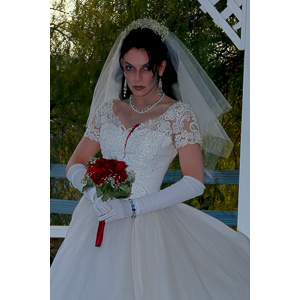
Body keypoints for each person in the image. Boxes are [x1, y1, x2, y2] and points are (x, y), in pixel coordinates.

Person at [50, 19, 250, 300]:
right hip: (97, 218)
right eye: (129, 68)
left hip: (149, 223)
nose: (137, 78)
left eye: (145, 68)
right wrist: (94, 192)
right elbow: (76, 163)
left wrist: (132, 207)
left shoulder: (179, 115)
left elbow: (194, 181)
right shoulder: (108, 111)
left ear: (161, 67)